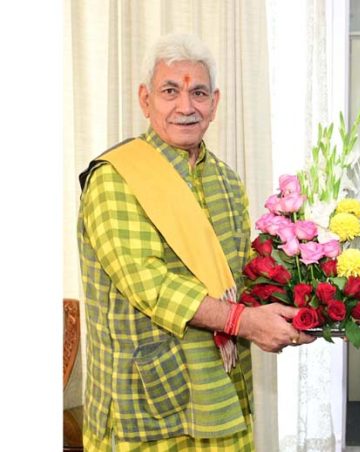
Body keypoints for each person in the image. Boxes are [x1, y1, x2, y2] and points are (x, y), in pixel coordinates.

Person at [77, 33, 313, 451]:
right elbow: (149, 284)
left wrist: (306, 304)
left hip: (222, 395)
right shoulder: (116, 178)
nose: (186, 107)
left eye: (198, 93)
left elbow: (245, 279)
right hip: (147, 405)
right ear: (145, 100)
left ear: (215, 103)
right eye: (171, 91)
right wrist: (246, 323)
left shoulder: (226, 181)